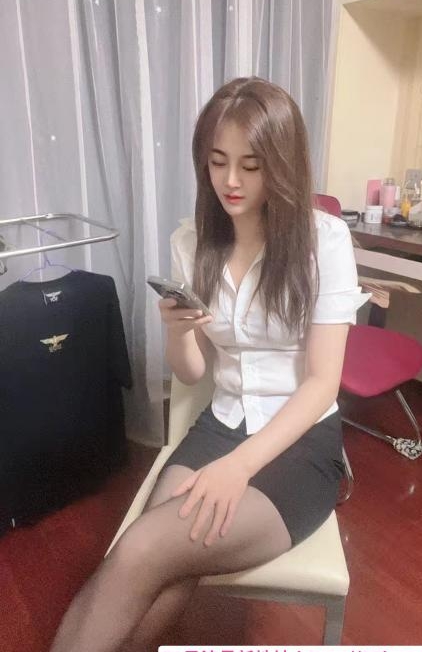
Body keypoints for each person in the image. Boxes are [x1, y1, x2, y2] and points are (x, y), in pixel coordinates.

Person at [49, 77, 369, 652]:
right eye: (218, 162)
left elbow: (323, 384)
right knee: (156, 559)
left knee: (146, 548)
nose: (230, 181)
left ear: (282, 164)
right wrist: (178, 332)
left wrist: (238, 468)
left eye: (251, 165)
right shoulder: (192, 243)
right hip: (221, 426)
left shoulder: (324, 241)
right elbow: (193, 372)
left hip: (300, 444)